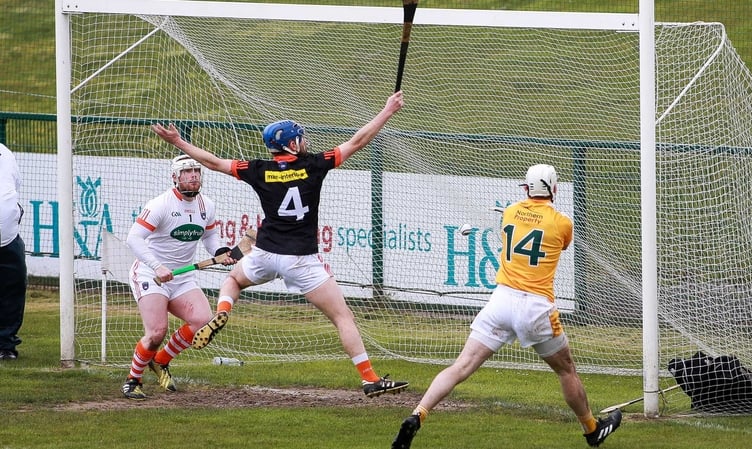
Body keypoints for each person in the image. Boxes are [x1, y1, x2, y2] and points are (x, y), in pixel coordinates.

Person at [151, 91, 409, 398]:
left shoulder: (258, 169)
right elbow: (358, 141)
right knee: (342, 317)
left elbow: (214, 162)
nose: (305, 143)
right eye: (300, 139)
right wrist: (387, 110)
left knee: (232, 280)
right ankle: (369, 379)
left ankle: (223, 311)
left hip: (265, 254)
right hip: (301, 260)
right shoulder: (315, 164)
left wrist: (179, 142)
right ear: (290, 144)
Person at [391, 164, 622, 449]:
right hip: (536, 308)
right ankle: (591, 429)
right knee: (566, 371)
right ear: (553, 188)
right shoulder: (562, 223)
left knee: (461, 366)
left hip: (500, 302)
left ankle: (418, 415)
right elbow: (559, 242)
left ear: (526, 188)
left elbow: (520, 218)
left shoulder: (511, 212)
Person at [122, 154, 237, 400]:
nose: (193, 175)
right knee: (156, 332)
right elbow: (134, 238)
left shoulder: (206, 205)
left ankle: (161, 361)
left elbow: (209, 237)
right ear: (175, 177)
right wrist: (157, 266)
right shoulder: (160, 205)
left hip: (183, 277)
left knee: (202, 320)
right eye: (187, 172)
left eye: (196, 171)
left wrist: (219, 252)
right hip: (151, 274)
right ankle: (133, 379)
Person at [0, 143, 27, 361]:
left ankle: (6, 345)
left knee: (14, 289)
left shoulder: (5, 153)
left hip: (8, 237)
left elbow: (14, 187)